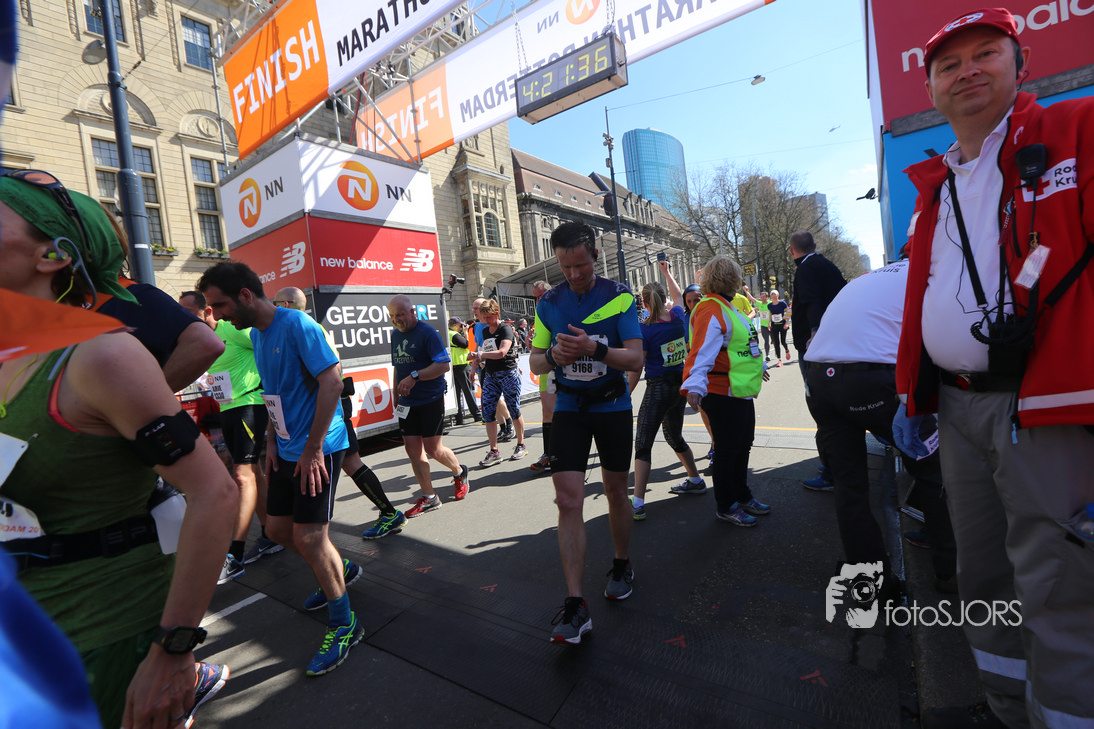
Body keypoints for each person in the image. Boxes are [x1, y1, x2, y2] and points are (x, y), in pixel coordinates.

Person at [894, 9, 1094, 727]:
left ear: (1022, 63)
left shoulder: (1076, 131)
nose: (967, 71)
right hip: (955, 408)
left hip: (1043, 406)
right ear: (930, 89)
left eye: (986, 54)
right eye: (948, 65)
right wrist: (914, 394)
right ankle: (1008, 707)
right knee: (982, 576)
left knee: (1058, 584)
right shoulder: (936, 185)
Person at [0, 171, 237, 728]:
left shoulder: (102, 357)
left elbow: (215, 493)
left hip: (97, 638)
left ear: (53, 256)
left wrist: (173, 653)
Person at [197, 263, 364, 678]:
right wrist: (272, 441)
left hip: (318, 448)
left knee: (310, 537)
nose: (217, 315)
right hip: (287, 449)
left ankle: (345, 623)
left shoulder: (298, 325)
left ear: (245, 295)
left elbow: (332, 383)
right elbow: (273, 393)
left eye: (220, 305)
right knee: (275, 530)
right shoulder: (256, 334)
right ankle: (339, 570)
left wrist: (312, 449)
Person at [803, 259, 955, 592]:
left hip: (819, 378)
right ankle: (950, 570)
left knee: (849, 485)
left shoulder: (867, 279)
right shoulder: (933, 273)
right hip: (871, 378)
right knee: (933, 470)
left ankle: (870, 583)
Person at [529, 221, 643, 645]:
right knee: (567, 500)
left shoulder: (619, 296)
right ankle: (576, 604)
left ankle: (621, 562)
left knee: (615, 492)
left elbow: (635, 358)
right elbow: (535, 362)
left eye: (581, 265)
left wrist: (594, 348)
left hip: (612, 406)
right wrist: (554, 356)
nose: (575, 274)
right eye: (566, 267)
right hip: (570, 409)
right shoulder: (549, 303)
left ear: (595, 255)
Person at [273, 287, 405, 541]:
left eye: (275, 303)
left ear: (287, 305)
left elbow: (331, 374)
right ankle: (389, 513)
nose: (273, 308)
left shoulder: (308, 328)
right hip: (330, 407)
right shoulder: (302, 328)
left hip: (330, 408)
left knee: (338, 467)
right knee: (351, 463)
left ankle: (323, 543)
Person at [178, 290, 280, 579]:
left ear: (207, 311)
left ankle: (235, 554)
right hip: (228, 409)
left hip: (250, 405)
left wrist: (267, 385)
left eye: (187, 312)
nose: (182, 317)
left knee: (242, 476)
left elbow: (269, 346)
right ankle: (271, 534)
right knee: (254, 473)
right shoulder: (200, 338)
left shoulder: (231, 330)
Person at [680, 255, 771, 527]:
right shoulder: (711, 308)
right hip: (721, 392)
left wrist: (760, 365)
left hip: (738, 391)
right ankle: (726, 505)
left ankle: (742, 496)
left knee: (742, 445)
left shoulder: (726, 307)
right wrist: (695, 385)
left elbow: (743, 343)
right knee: (728, 450)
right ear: (731, 278)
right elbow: (701, 352)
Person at [627, 282, 704, 519]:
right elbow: (678, 296)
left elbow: (637, 366)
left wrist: (626, 394)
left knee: (643, 443)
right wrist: (667, 272)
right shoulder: (678, 317)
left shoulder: (645, 329)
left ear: (644, 303)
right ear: (663, 298)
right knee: (674, 436)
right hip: (678, 387)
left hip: (658, 388)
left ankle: (637, 502)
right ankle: (695, 479)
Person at [387, 295, 470, 515]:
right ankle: (429, 496)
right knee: (412, 450)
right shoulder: (395, 335)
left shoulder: (427, 333)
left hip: (430, 399)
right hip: (407, 403)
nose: (396, 319)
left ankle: (459, 471)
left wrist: (415, 376)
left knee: (433, 449)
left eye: (400, 314)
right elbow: (397, 367)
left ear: (412, 312)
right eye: (392, 316)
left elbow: (443, 365)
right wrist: (395, 395)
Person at [471, 298, 528, 465]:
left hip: (508, 373)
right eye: (483, 317)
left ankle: (521, 444)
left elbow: (502, 352)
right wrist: (474, 365)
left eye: (488, 317)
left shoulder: (505, 329)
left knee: (513, 408)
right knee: (488, 411)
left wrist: (480, 355)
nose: (486, 320)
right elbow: (485, 352)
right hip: (491, 374)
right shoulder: (485, 331)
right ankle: (494, 451)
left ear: (496, 314)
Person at [471, 297, 514, 442]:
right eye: (474, 308)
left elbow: (503, 350)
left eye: (477, 308)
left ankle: (509, 423)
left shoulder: (501, 327)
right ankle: (502, 427)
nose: (475, 311)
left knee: (498, 398)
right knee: (490, 400)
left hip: (501, 367)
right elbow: (478, 348)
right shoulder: (478, 327)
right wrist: (473, 367)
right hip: (485, 366)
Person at [527, 280, 556, 473]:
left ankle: (564, 453)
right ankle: (549, 455)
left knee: (566, 412)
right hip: (547, 368)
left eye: (540, 295)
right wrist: (530, 342)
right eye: (535, 297)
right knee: (547, 411)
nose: (538, 300)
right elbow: (534, 349)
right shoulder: (539, 315)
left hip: (565, 368)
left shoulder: (559, 310)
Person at [448, 316, 481, 425]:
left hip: (453, 366)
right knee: (468, 391)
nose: (461, 327)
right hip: (462, 365)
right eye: (460, 325)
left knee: (456, 395)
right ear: (456, 325)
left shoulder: (447, 334)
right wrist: (466, 333)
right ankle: (477, 414)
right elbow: (467, 344)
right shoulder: (454, 335)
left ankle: (459, 418)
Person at [766, 290, 790, 366]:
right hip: (774, 325)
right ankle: (779, 360)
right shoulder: (769, 305)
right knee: (776, 342)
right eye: (772, 294)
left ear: (778, 295)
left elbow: (789, 312)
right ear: (770, 296)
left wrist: (786, 323)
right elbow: (770, 315)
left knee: (783, 341)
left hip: (782, 325)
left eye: (775, 294)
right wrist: (769, 323)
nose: (774, 296)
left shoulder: (782, 303)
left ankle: (786, 350)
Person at [751, 290, 772, 361]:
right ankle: (767, 355)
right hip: (763, 326)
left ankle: (775, 345)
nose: (762, 298)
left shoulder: (770, 303)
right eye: (761, 297)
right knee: (766, 340)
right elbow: (751, 298)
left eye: (763, 297)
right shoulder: (760, 304)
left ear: (767, 297)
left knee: (774, 340)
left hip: (771, 325)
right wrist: (746, 291)